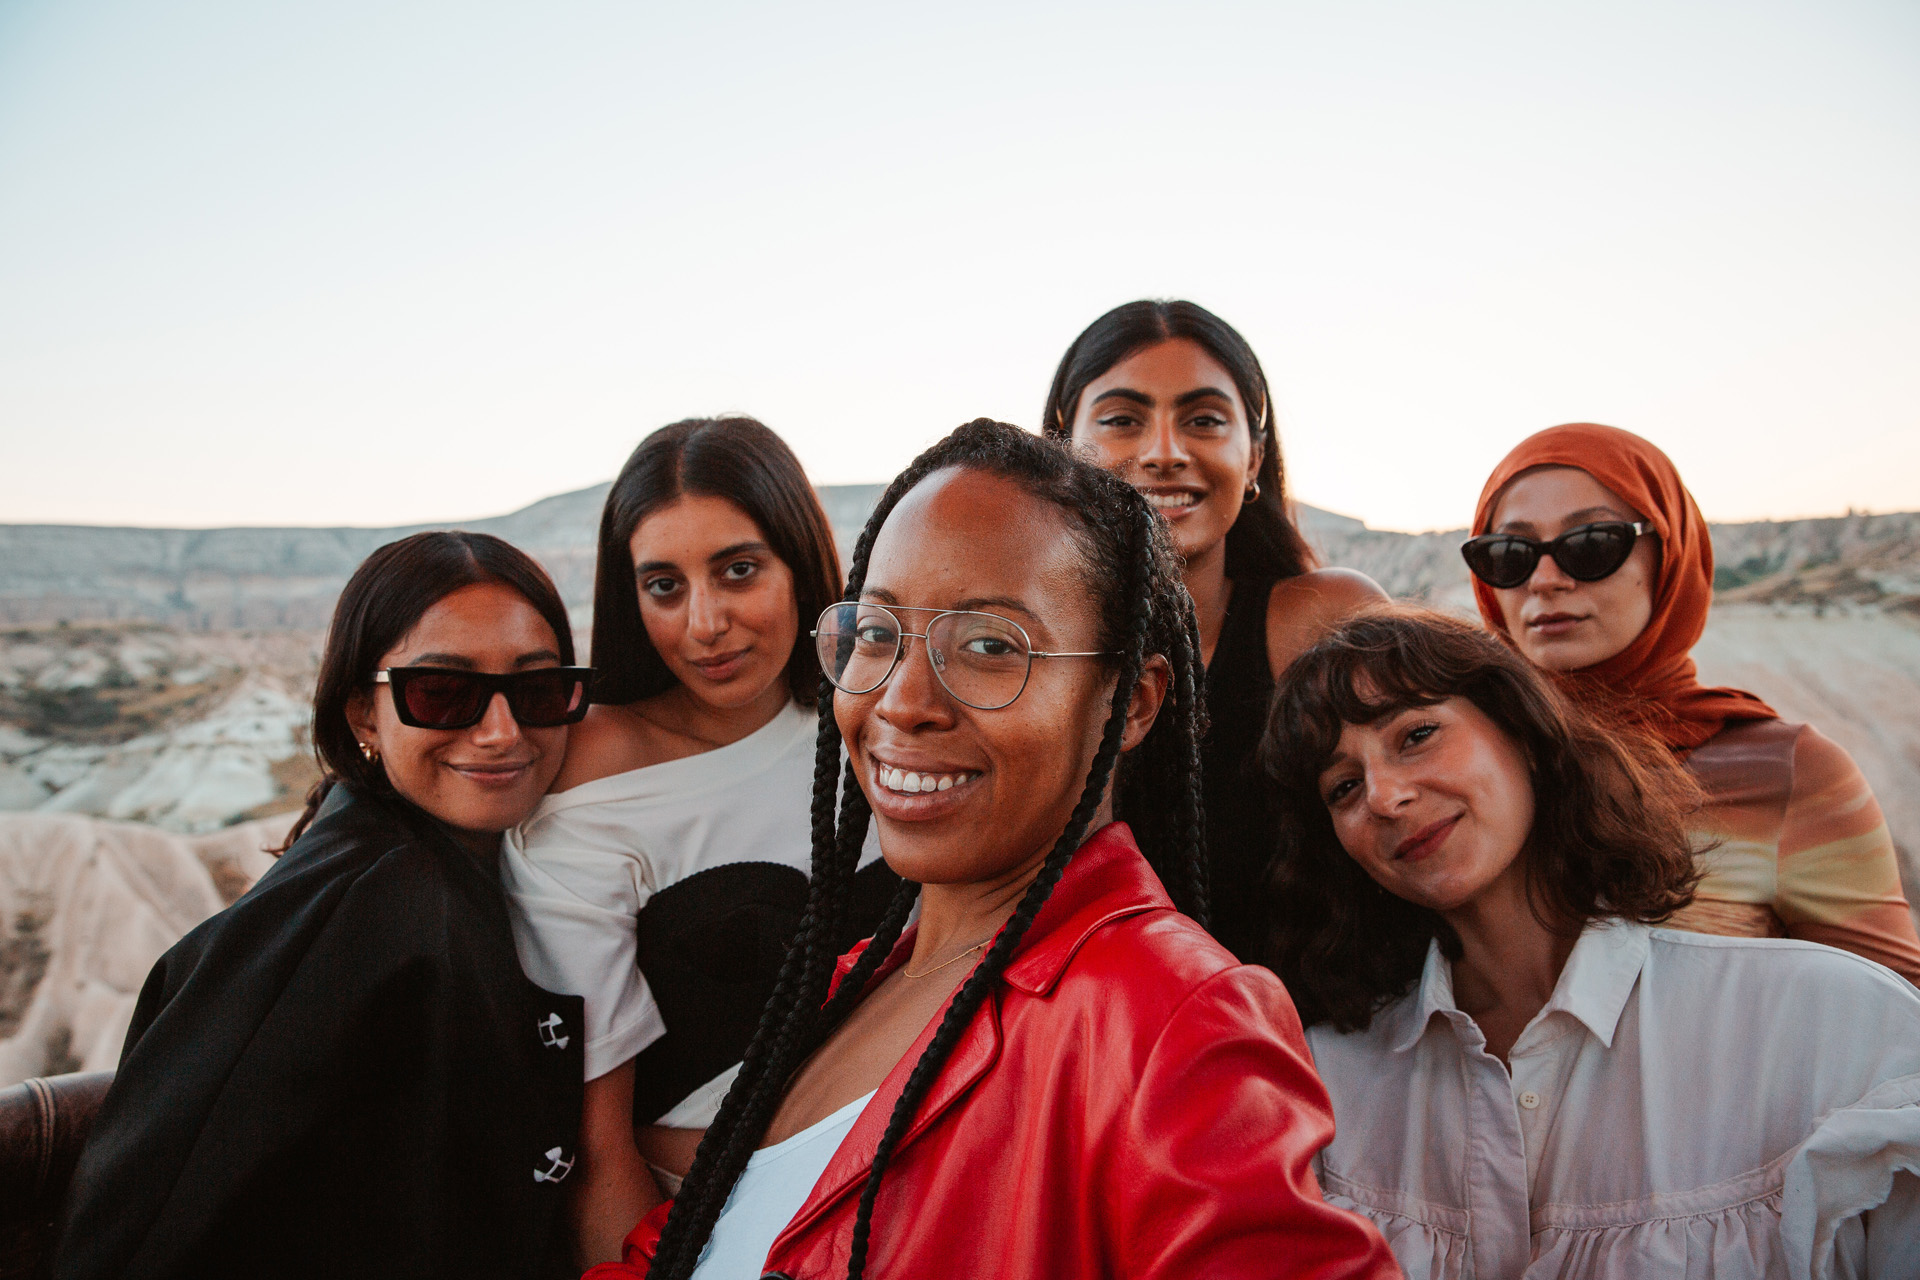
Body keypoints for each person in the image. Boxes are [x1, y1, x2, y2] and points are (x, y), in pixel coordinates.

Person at [589, 420, 1398, 1280]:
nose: (903, 703)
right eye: (877, 634)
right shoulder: (854, 981)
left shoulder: (1170, 1022)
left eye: (987, 647)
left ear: (1131, 701)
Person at [1261, 608, 1920, 1279]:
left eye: (1417, 735)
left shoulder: (1830, 1023)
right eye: (1342, 786)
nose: (1384, 795)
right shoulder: (1326, 1087)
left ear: (1523, 733)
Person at [53, 532, 593, 1280]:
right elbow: (151, 1225)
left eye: (537, 689)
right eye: (442, 691)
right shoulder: (369, 912)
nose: (501, 731)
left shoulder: (430, 869)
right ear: (364, 716)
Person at [498, 417, 892, 1265]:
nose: (705, 622)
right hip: (722, 1237)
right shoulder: (593, 782)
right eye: (665, 585)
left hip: (935, 1188)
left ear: (801, 562)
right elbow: (598, 1151)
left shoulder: (875, 721)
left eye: (738, 570)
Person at [1465, 422, 1920, 982]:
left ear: (1671, 554)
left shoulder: (1784, 773)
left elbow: (1896, 1018)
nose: (1546, 579)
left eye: (1591, 545)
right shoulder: (1454, 768)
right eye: (1509, 553)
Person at [1043, 299, 1387, 958]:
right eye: (1121, 419)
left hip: (1320, 1043)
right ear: (1062, 447)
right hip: (1087, 1048)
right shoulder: (1014, 651)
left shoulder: (1324, 623)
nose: (1165, 453)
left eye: (1204, 420)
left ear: (1253, 457)